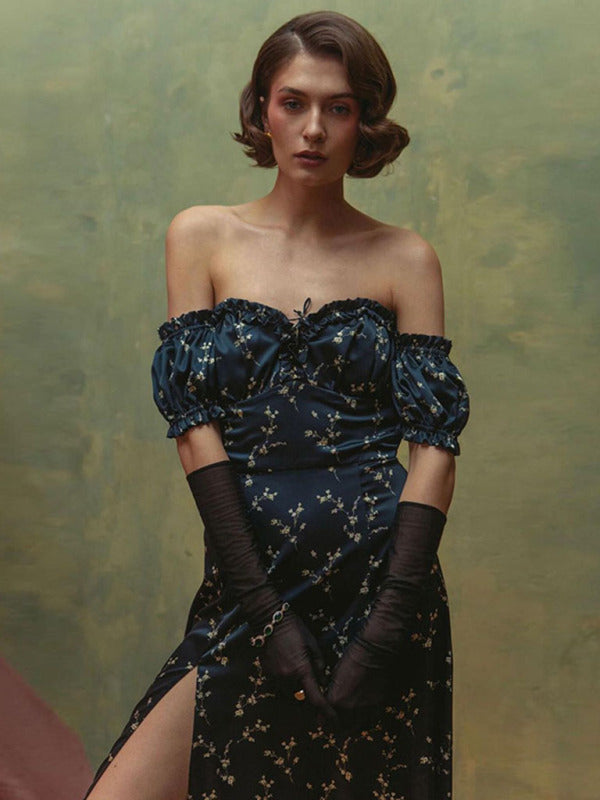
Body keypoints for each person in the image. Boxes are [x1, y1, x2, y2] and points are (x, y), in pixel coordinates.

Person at [83, 9, 470, 800]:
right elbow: (193, 427)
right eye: (294, 102)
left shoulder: (405, 258)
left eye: (339, 107)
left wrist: (389, 624)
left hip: (382, 591)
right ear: (262, 108)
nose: (314, 129)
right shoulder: (202, 236)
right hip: (251, 584)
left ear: (365, 120)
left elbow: (435, 445)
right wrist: (261, 610)